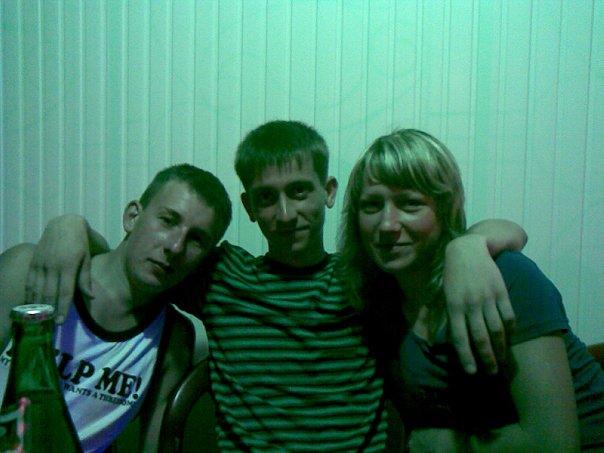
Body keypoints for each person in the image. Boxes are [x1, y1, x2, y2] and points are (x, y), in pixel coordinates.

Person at [25, 120, 527, 452]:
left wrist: (470, 245)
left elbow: (504, 236)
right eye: (267, 198)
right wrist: (72, 227)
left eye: (300, 192)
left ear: (328, 192)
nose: (286, 214)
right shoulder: (219, 274)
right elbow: (131, 262)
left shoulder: (368, 278)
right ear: (249, 208)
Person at [339, 128, 604, 452]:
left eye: (410, 204)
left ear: (445, 209)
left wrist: (444, 446)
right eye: (371, 205)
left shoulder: (505, 276)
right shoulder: (377, 297)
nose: (387, 224)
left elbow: (555, 444)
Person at [0, 164, 232, 452]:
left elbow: (155, 446)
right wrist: (71, 223)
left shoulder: (173, 340)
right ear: (133, 216)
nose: (175, 246)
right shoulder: (26, 271)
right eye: (168, 221)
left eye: (196, 239)